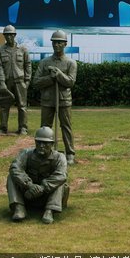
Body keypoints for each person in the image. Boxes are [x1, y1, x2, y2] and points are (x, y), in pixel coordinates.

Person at [6, 126, 69, 224]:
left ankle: (50, 211)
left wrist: (43, 187)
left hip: (47, 195)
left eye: (45, 143)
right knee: (11, 177)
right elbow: (15, 168)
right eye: (39, 142)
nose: (41, 145)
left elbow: (61, 175)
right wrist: (29, 185)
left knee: (60, 182)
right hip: (28, 193)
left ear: (52, 144)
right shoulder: (26, 153)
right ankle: (19, 207)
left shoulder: (59, 157)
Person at [33, 30, 77, 165]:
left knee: (66, 126)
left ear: (65, 44)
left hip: (64, 100)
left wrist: (59, 74)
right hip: (47, 100)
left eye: (59, 42)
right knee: (45, 128)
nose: (56, 45)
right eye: (54, 42)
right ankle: (44, 152)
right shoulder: (44, 62)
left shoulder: (71, 63)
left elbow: (70, 82)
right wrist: (50, 78)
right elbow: (36, 82)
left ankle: (69, 153)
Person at [0, 25, 31, 135]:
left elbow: (28, 65)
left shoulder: (23, 49)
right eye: (7, 35)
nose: (9, 37)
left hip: (20, 81)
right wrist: (2, 83)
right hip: (6, 82)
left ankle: (23, 128)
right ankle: (2, 128)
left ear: (15, 35)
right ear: (4, 36)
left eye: (11, 34)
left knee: (22, 105)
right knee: (4, 106)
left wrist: (27, 81)